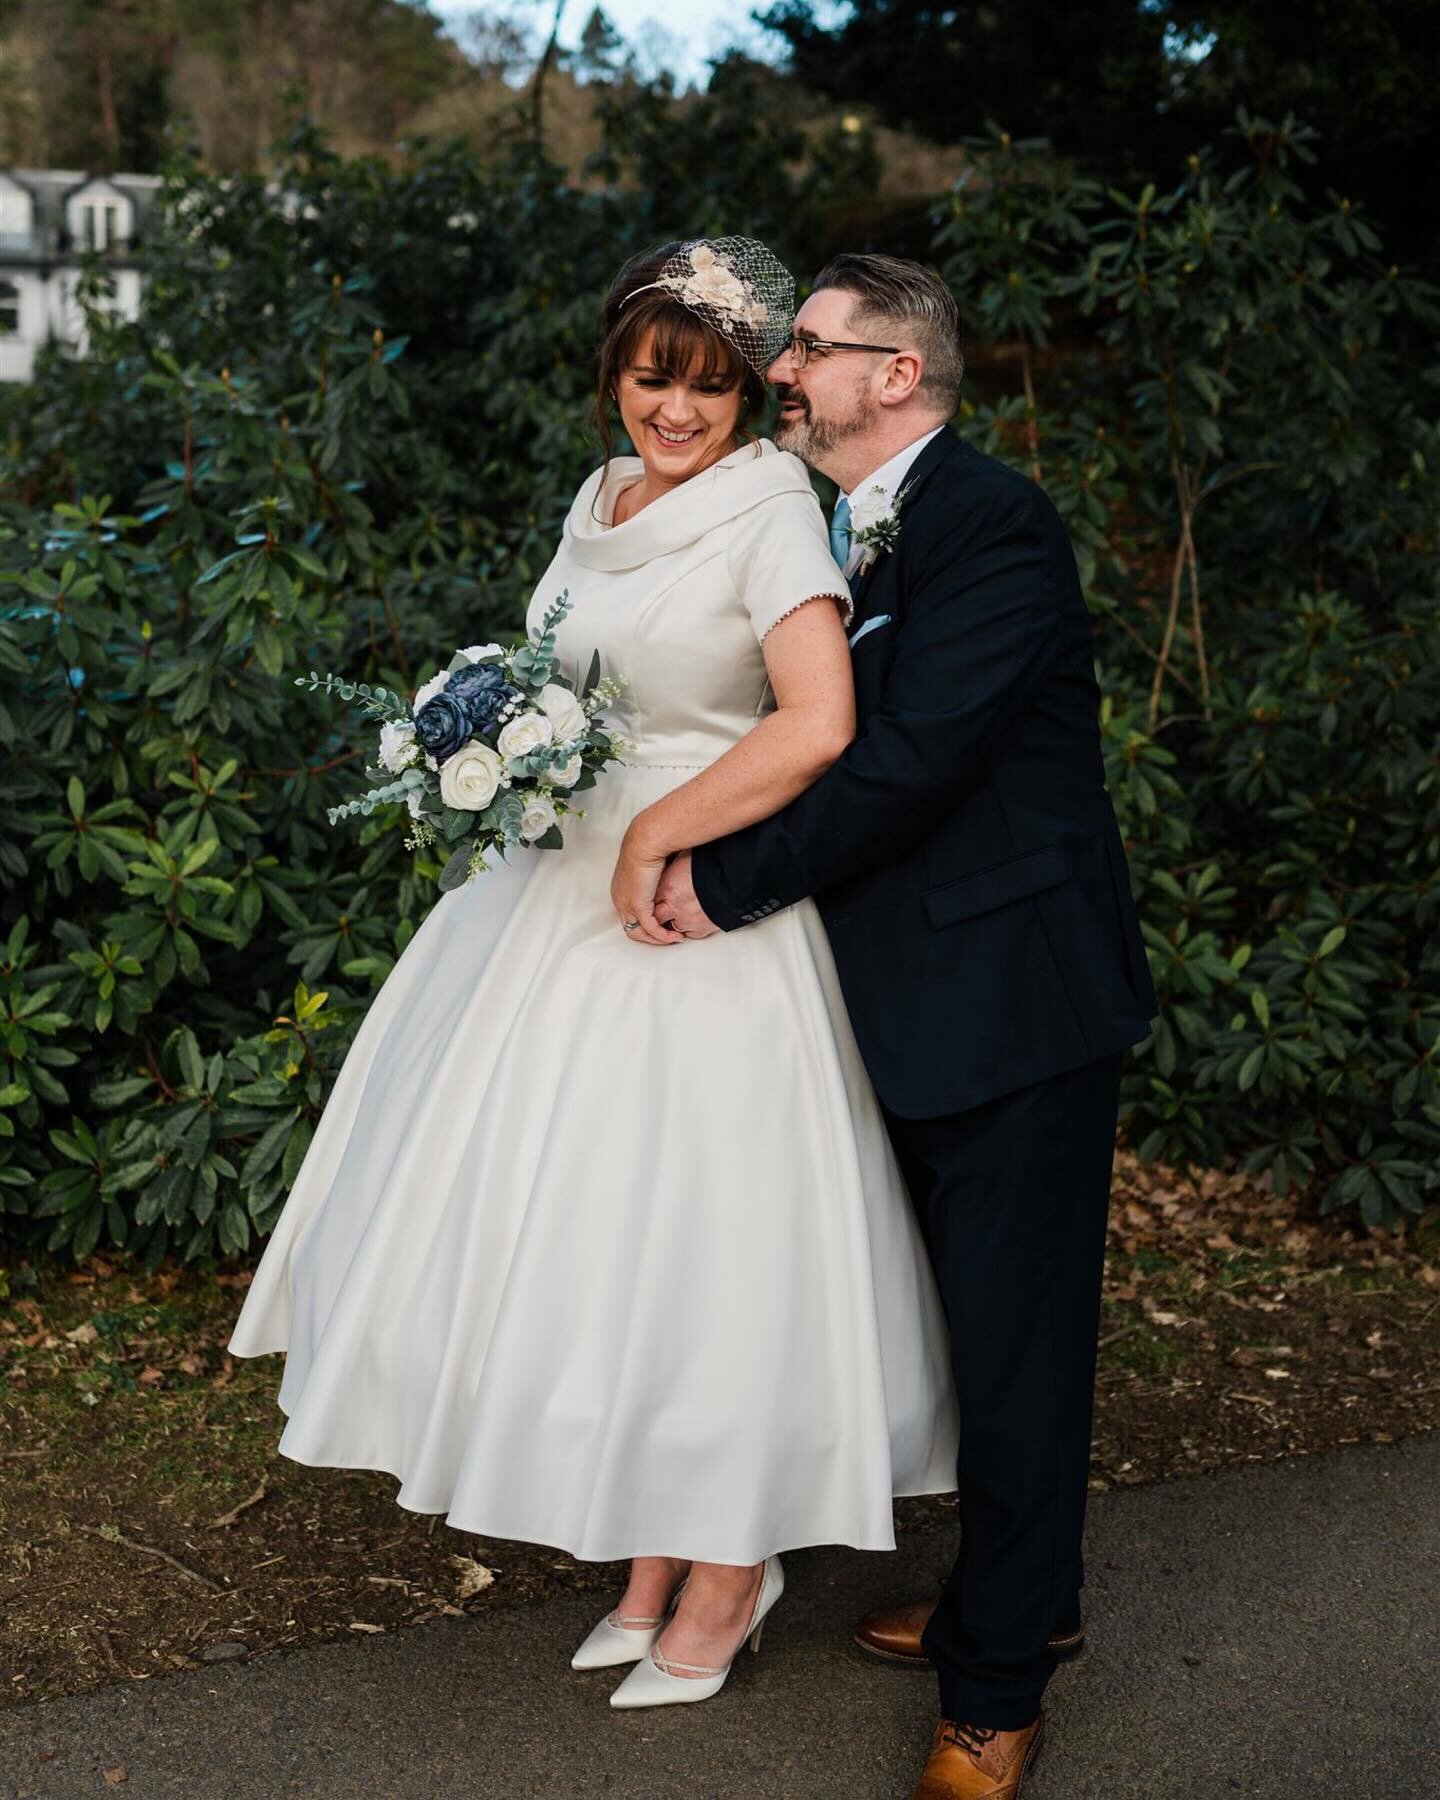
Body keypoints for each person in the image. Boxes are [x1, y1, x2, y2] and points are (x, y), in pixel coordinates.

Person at [225, 236, 961, 1712]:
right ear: (615, 379)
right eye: (647, 380)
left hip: (701, 905)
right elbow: (567, 670)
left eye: (702, 388)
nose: (671, 414)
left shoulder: (769, 515)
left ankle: (731, 1567)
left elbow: (818, 725)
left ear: (752, 392)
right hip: (558, 891)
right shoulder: (600, 499)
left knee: (703, 1251)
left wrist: (661, 840)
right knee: (589, 1241)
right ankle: (648, 1557)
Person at [653, 253, 1159, 1798]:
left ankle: (994, 1693)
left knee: (1015, 1351)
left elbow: (909, 761)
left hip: (1014, 1001)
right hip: (890, 1000)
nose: (779, 367)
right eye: (788, 344)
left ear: (900, 374)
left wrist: (715, 877)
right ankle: (1031, 1600)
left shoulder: (994, 522)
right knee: (962, 1338)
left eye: (809, 346)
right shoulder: (825, 526)